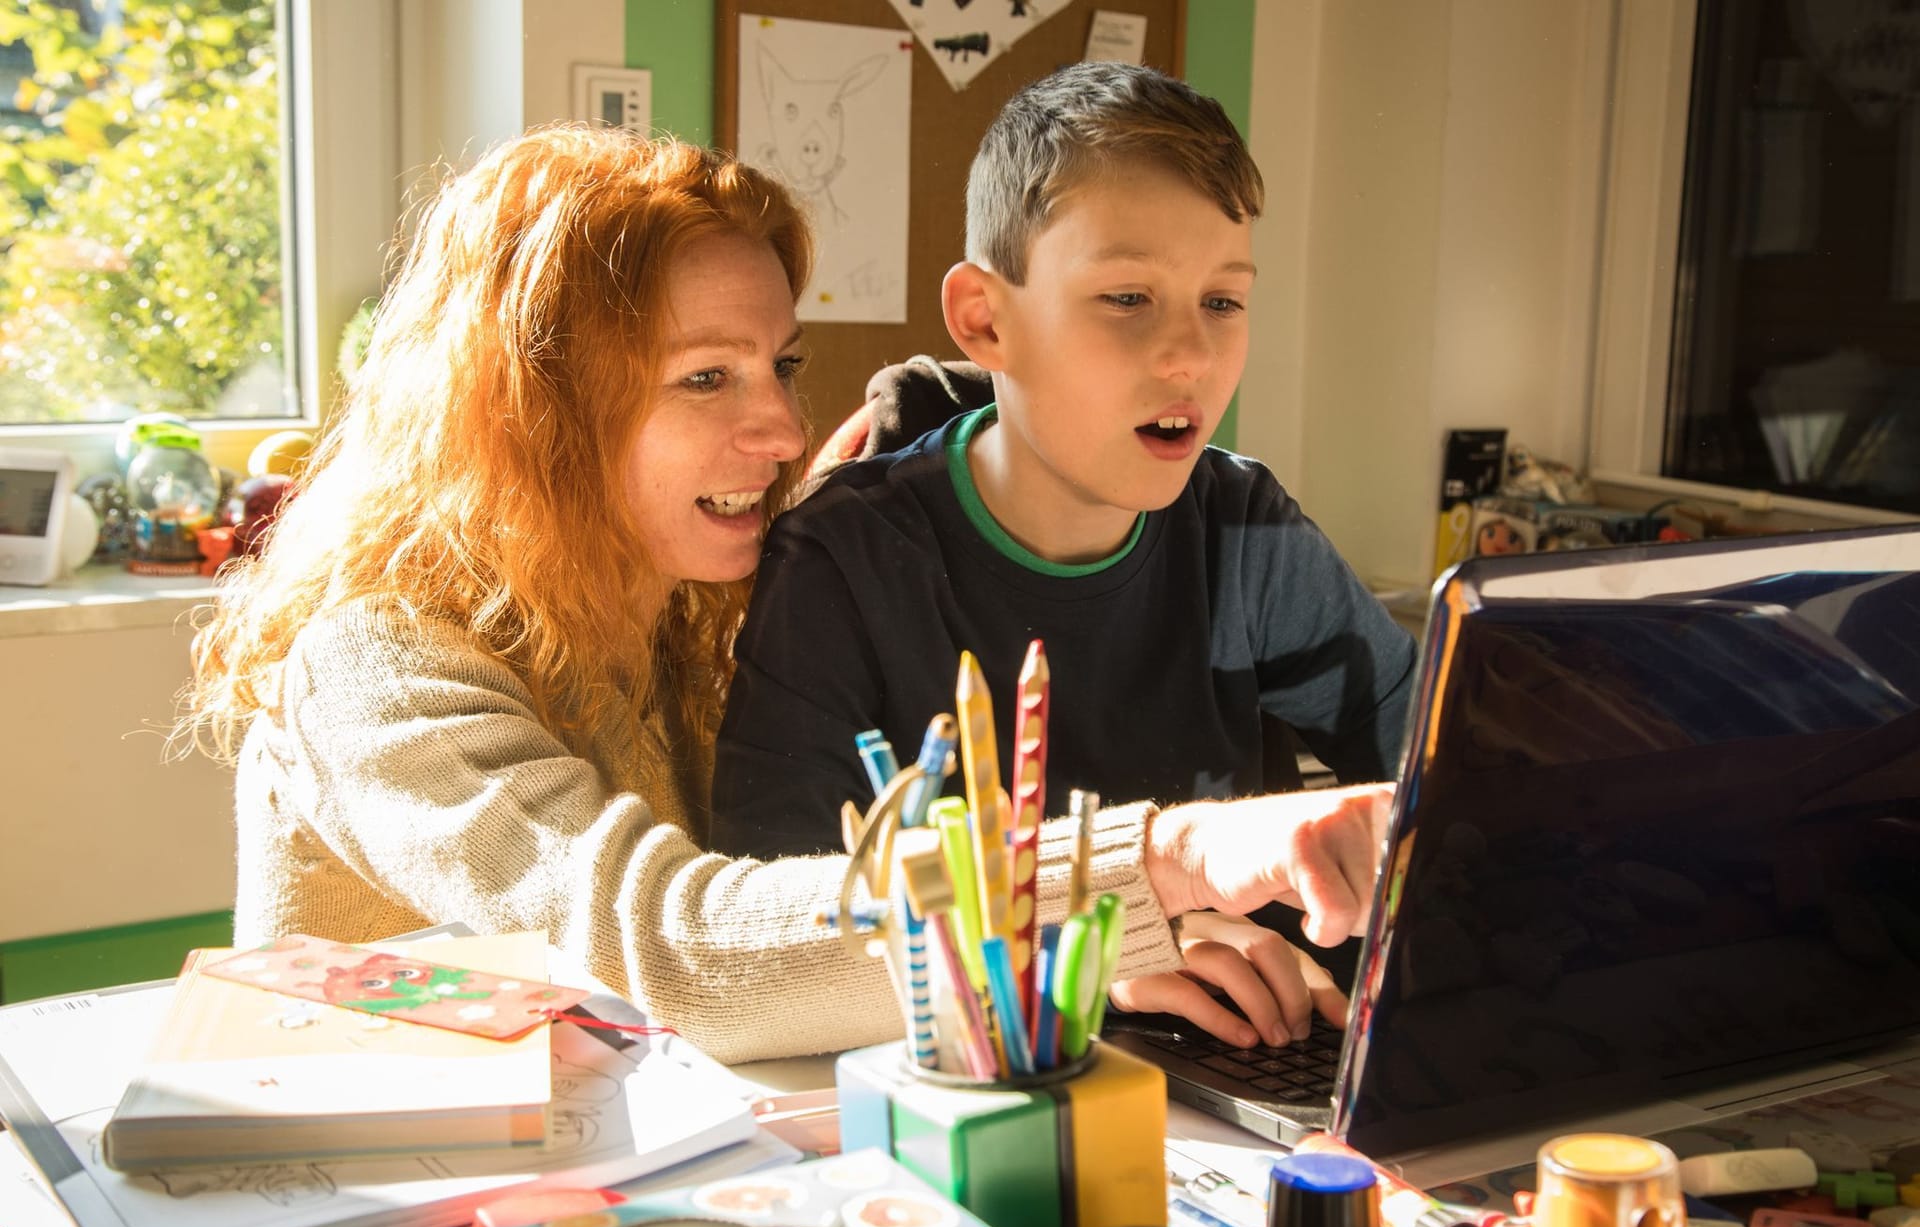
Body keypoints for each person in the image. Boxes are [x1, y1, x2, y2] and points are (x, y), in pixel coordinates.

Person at [178, 123, 1386, 1066]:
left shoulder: (702, 609)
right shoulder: (376, 664)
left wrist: (1078, 951)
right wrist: (1163, 861)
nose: (782, 424)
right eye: (708, 376)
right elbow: (676, 943)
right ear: (530, 416)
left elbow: (819, 905)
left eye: (781, 364)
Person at [713, 64, 1418, 1050]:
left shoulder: (1243, 530)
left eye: (1223, 302)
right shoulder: (844, 562)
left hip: (1241, 1079)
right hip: (976, 1079)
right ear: (985, 319)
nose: (1190, 357)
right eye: (1128, 296)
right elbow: (772, 928)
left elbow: (1456, 786)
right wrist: (1082, 956)